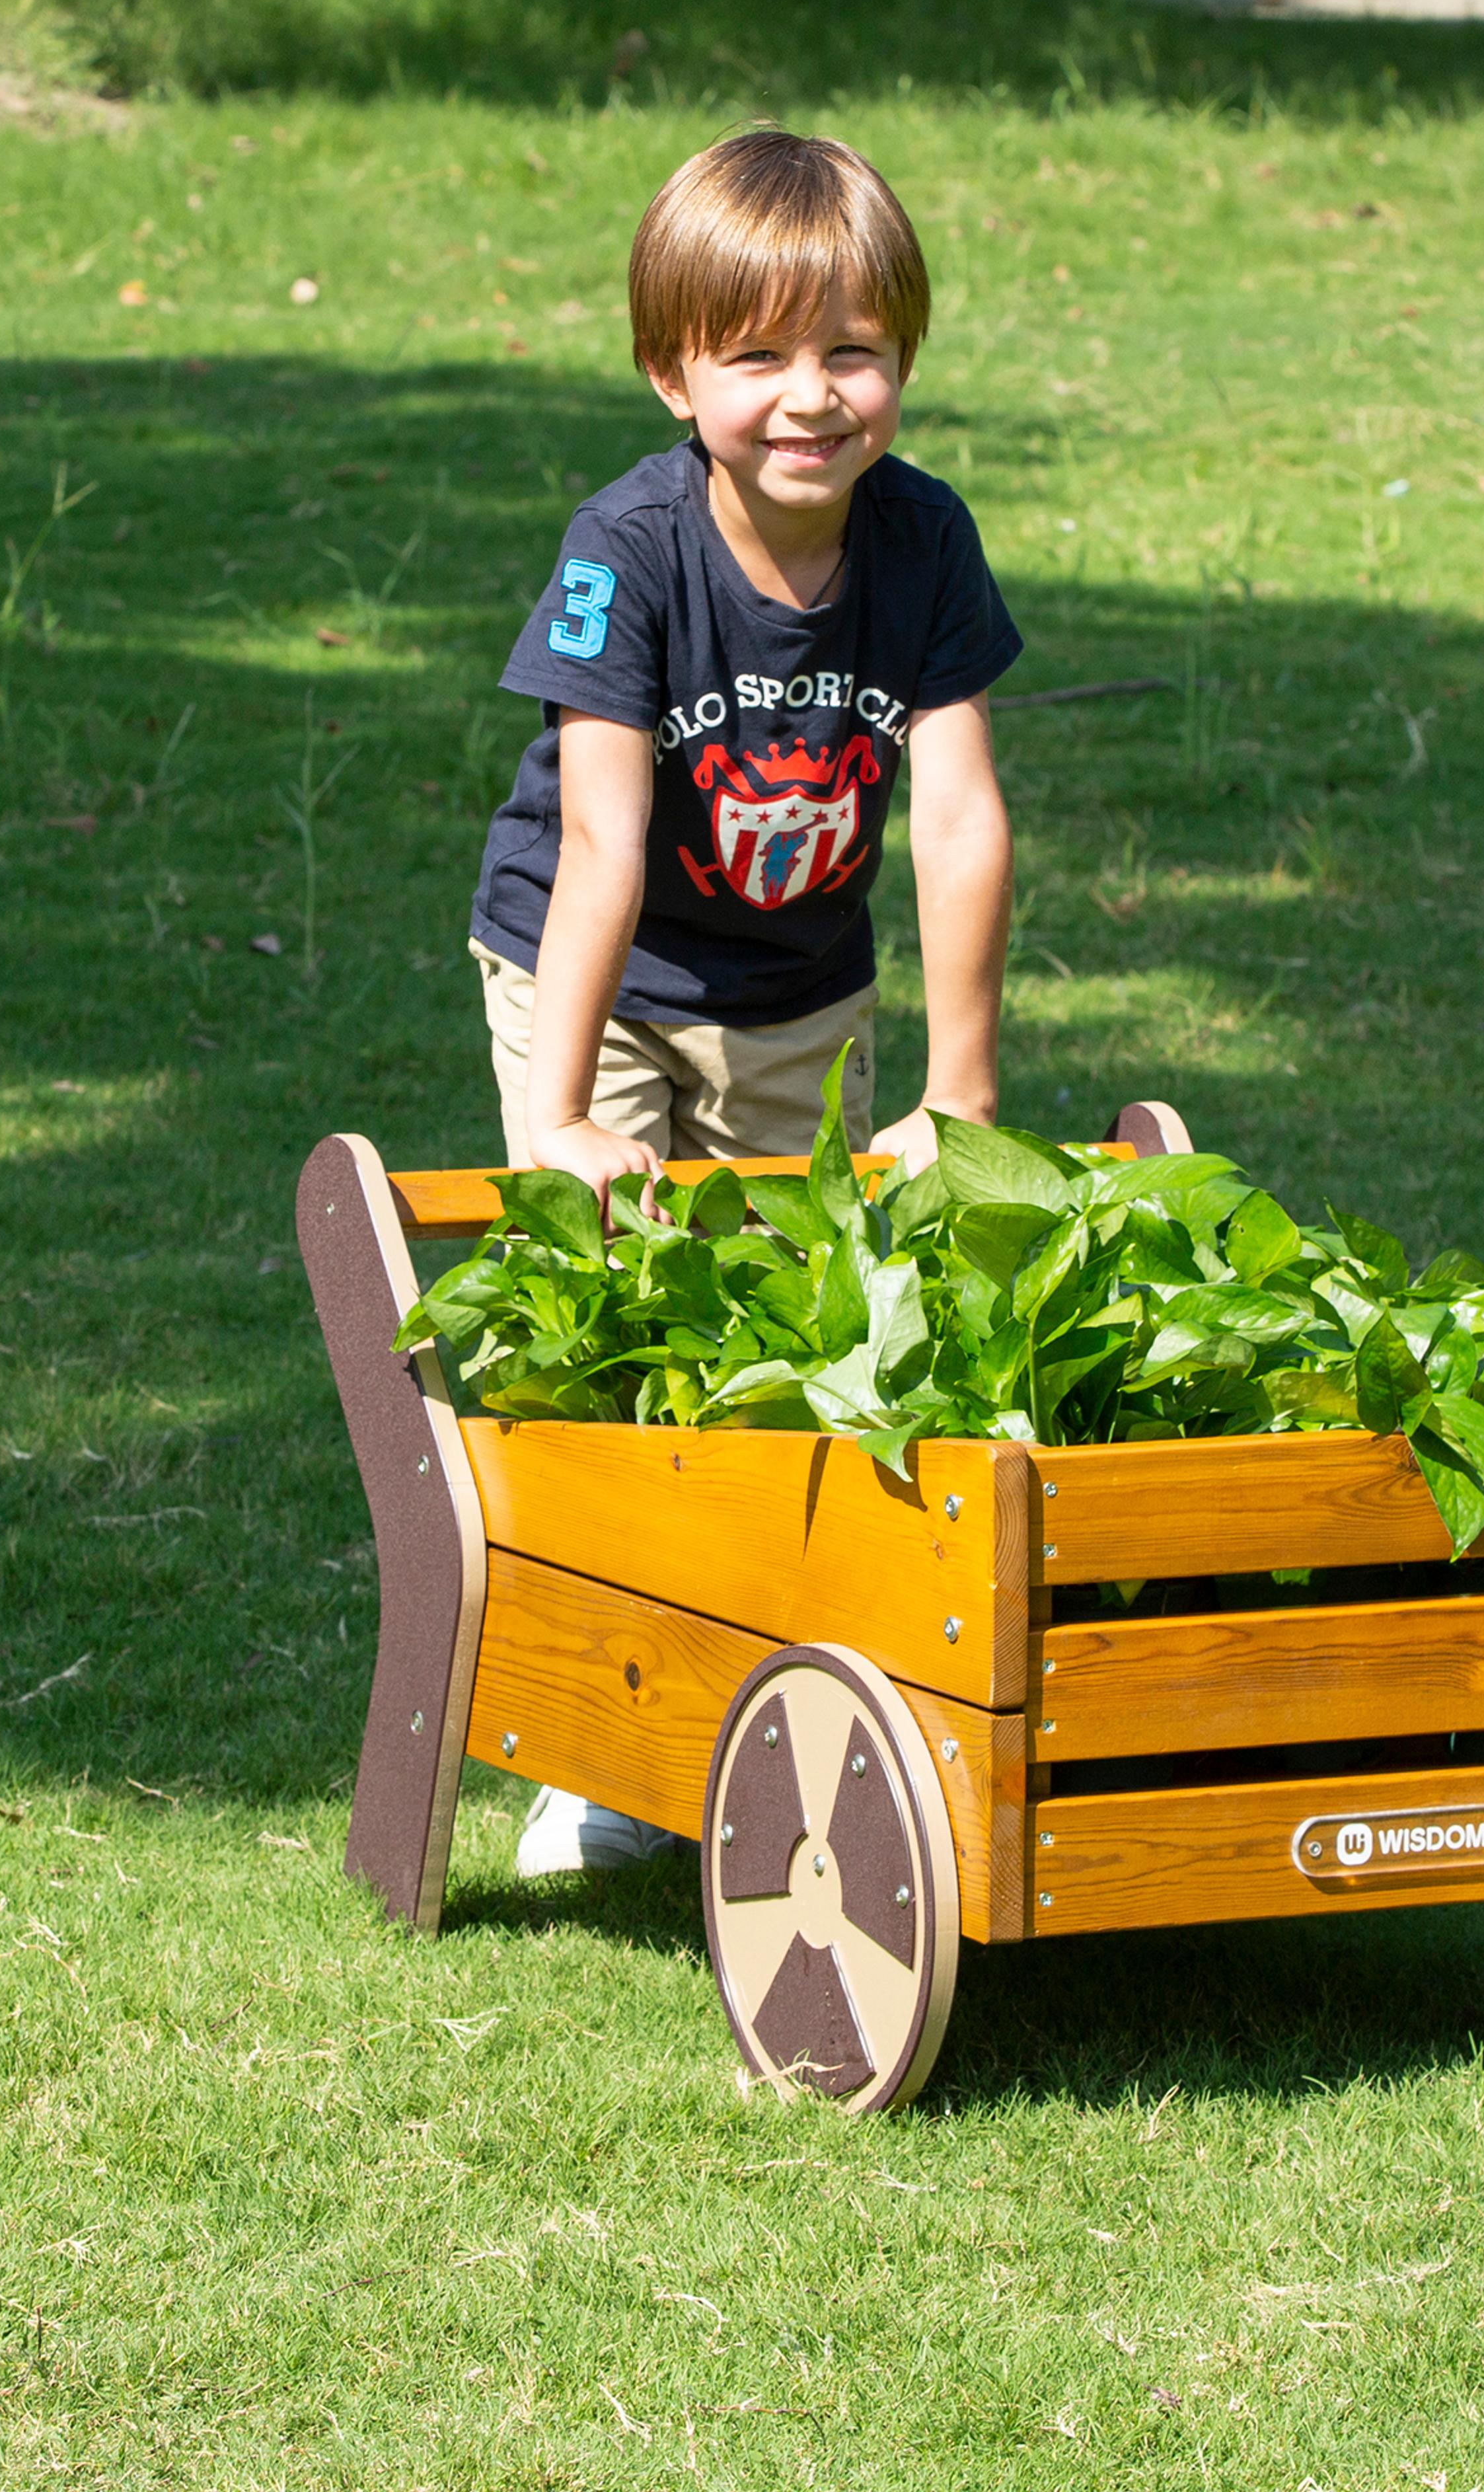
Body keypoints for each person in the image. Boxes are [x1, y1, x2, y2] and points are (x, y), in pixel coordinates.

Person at [466, 127, 1021, 1878]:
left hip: (798, 999)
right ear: (672, 372)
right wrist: (557, 1116)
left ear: (904, 362)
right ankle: (596, 1740)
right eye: (758, 356)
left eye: (851, 351)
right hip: (600, 989)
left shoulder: (921, 543)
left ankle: (754, 1692)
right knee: (616, 1321)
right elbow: (604, 845)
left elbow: (954, 812)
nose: (811, 397)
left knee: (791, 1338)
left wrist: (963, 1085)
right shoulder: (624, 551)